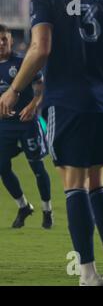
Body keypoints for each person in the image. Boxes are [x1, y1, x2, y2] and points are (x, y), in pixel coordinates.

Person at [0, 0, 103, 286]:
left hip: (66, 102)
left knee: (74, 186)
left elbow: (41, 48)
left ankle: (89, 274)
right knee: (97, 184)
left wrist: (14, 90)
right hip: (102, 102)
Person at [0, 24, 53, 229]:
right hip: (4, 126)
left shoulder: (23, 62)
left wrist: (33, 105)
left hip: (26, 124)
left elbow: (41, 87)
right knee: (2, 167)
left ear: (11, 41)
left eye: (5, 39)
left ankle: (47, 210)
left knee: (37, 167)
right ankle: (23, 206)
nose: (1, 43)